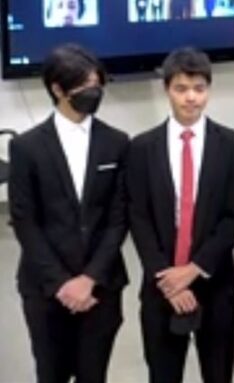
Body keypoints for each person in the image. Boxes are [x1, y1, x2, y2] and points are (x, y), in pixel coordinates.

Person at [9, 43, 128, 383]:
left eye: (98, 86)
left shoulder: (116, 143)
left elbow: (118, 218)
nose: (94, 93)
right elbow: (25, 220)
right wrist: (62, 283)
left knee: (94, 374)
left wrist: (89, 278)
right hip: (46, 289)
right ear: (57, 89)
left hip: (101, 288)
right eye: (85, 87)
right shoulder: (26, 147)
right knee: (51, 373)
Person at [127, 47, 234, 383]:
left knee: (218, 373)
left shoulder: (230, 143)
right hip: (162, 285)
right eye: (181, 89)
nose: (191, 98)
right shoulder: (142, 148)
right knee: (163, 374)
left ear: (209, 89)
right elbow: (139, 217)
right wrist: (170, 280)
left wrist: (193, 270)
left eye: (199, 88)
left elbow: (233, 217)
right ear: (166, 89)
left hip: (214, 282)